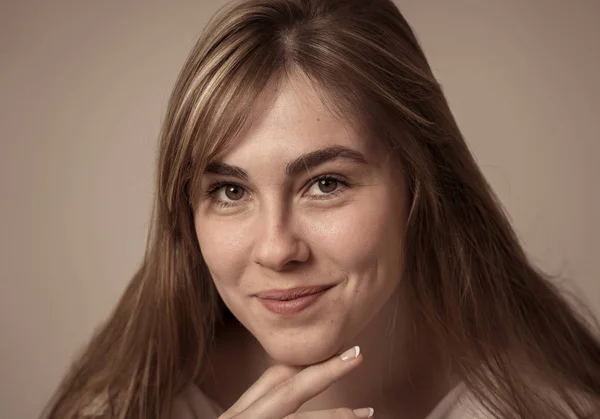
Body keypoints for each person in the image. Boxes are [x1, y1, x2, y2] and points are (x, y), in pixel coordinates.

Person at [43, 0, 600, 418]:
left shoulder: (550, 407)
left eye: (325, 183)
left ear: (420, 182)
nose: (277, 248)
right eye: (231, 192)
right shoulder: (120, 407)